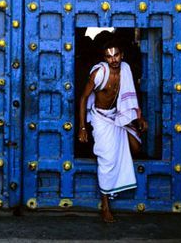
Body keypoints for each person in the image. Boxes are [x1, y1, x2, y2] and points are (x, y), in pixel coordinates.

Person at [78, 39, 147, 223]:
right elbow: (84, 98)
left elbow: (131, 95)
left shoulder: (125, 69)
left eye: (116, 55)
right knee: (106, 159)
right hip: (100, 118)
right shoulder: (99, 73)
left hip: (117, 116)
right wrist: (83, 127)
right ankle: (106, 206)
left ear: (121, 55)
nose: (113, 59)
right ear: (105, 58)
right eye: (109, 56)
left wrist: (138, 117)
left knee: (136, 147)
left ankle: (115, 188)